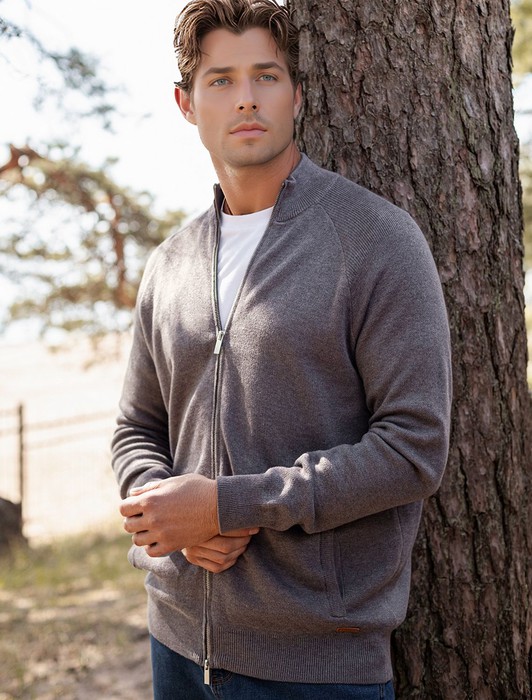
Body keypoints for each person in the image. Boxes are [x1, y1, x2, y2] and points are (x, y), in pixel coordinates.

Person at [111, 1, 452, 697]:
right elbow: (135, 427)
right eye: (221, 80)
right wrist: (167, 516)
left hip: (317, 667)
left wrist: (228, 505)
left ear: (296, 94)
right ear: (186, 104)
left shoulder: (376, 240)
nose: (246, 98)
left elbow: (414, 448)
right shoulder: (170, 263)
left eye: (266, 76)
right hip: (176, 642)